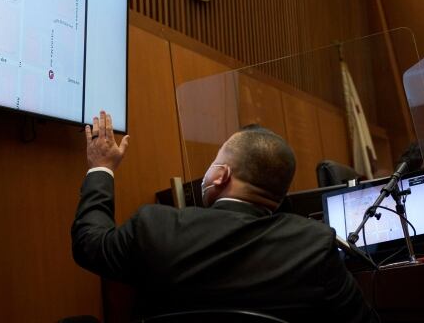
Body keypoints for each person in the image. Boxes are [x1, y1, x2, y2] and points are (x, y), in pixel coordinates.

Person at [71, 111, 378, 322]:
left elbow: (89, 243)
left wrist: (102, 167)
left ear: (220, 175)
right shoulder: (314, 246)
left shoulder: (157, 227)